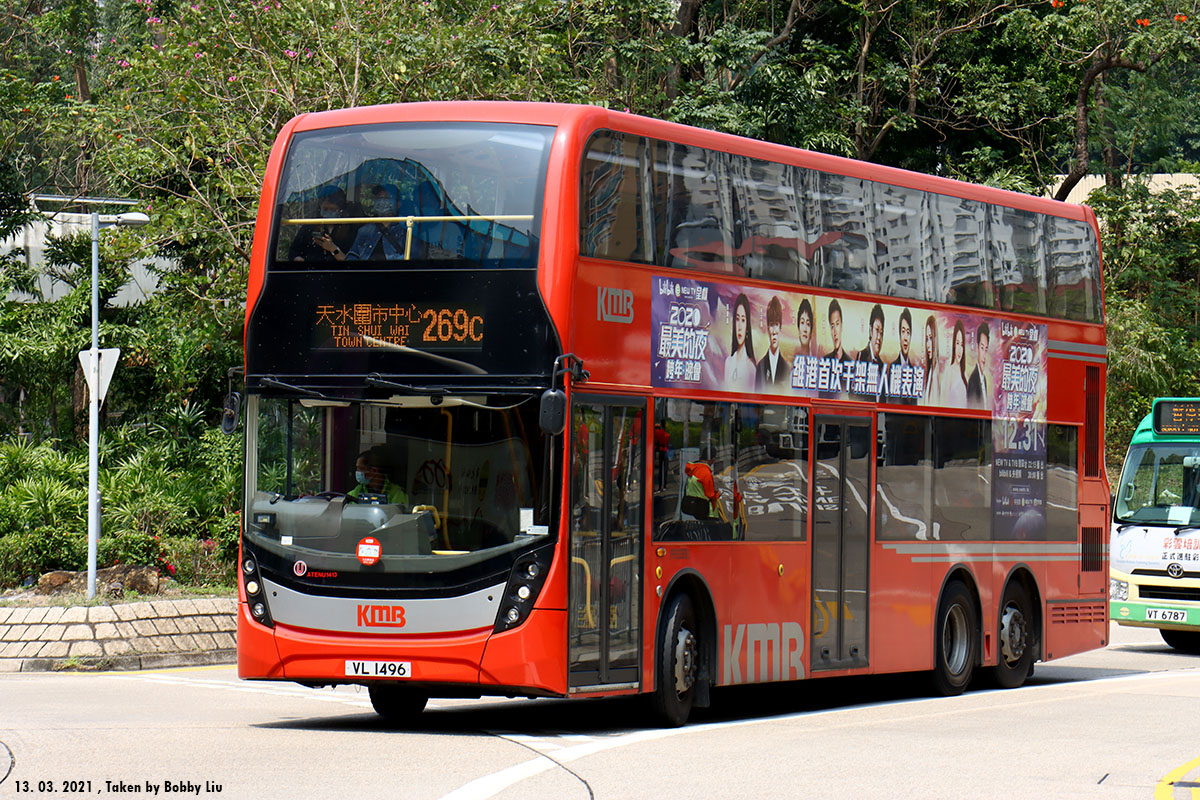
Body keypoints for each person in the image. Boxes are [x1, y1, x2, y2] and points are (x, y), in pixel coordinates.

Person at [341, 184, 408, 262]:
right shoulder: (365, 230)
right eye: (378, 198)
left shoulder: (407, 227)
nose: (382, 202)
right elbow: (353, 255)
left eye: (386, 198)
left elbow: (413, 256)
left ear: (398, 203)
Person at [288, 186, 354, 262]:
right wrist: (299, 259)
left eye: (332, 209)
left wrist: (332, 248)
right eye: (325, 209)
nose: (328, 212)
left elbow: (351, 262)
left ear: (340, 209)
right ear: (320, 208)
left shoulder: (350, 229)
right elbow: (293, 252)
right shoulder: (310, 226)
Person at [756, 295, 789, 390]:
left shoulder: (786, 368)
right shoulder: (760, 366)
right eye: (771, 325)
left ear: (780, 328)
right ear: (768, 329)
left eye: (776, 324)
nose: (774, 331)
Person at [724, 293, 756, 391]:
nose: (740, 327)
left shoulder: (750, 368)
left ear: (747, 325)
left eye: (743, 320)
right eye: (737, 319)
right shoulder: (728, 362)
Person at [890, 307, 916, 405]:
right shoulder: (893, 368)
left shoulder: (914, 372)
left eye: (908, 333)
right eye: (903, 332)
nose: (905, 338)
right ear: (899, 334)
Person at [941, 319, 968, 407]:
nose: (959, 349)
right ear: (953, 345)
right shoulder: (949, 371)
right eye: (957, 343)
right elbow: (943, 403)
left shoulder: (965, 374)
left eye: (962, 345)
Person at [966, 321, 992, 410]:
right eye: (982, 348)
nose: (984, 355)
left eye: (986, 349)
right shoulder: (973, 381)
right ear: (977, 348)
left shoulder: (983, 379)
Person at [921, 315, 939, 405]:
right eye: (926, 339)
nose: (928, 345)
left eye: (931, 338)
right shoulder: (931, 371)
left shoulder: (936, 373)